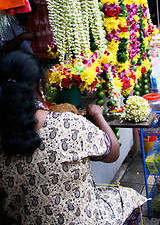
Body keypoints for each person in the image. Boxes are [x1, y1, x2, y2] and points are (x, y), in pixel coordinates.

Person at [0, 51, 147, 225]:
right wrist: (96, 115)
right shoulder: (69, 124)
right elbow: (114, 152)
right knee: (128, 197)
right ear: (40, 86)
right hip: (81, 220)